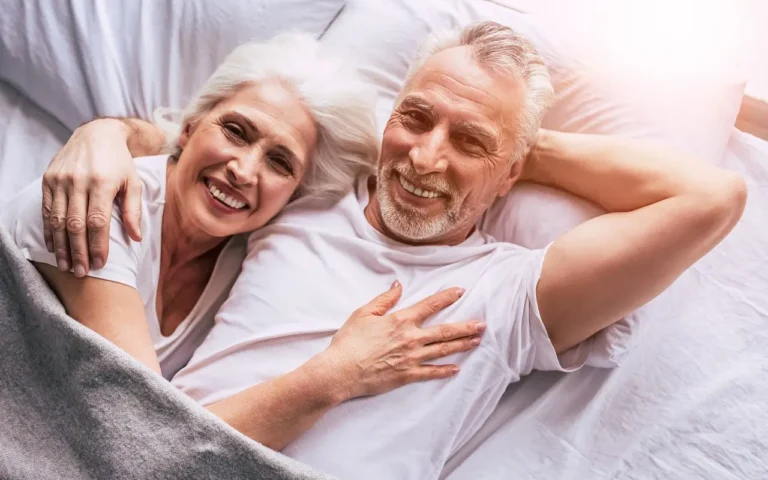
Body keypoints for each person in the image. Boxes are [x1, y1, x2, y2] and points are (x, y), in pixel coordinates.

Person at [40, 22, 747, 479]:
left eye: (468, 143)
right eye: (415, 118)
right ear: (389, 117)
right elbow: (213, 142)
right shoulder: (307, 192)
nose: (426, 158)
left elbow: (713, 198)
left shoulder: (509, 293)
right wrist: (104, 134)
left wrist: (524, 148)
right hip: (151, 457)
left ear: (511, 174)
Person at [1, 33, 487, 452]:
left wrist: (507, 154)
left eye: (280, 163)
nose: (244, 170)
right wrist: (339, 374)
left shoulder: (246, 251)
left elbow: (394, 163)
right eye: (235, 131)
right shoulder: (101, 201)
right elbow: (144, 432)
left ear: (294, 194)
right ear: (190, 126)